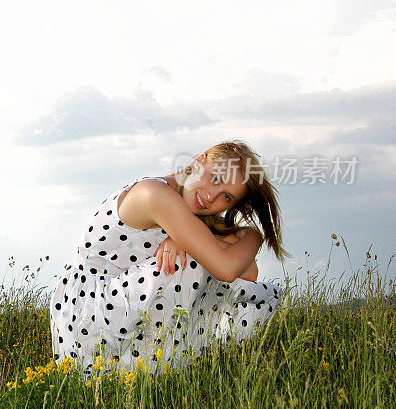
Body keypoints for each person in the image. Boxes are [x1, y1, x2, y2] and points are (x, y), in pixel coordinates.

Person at [49, 140, 288, 376]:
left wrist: (185, 239)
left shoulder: (189, 211)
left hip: (120, 307)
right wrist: (254, 236)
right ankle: (151, 369)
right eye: (215, 178)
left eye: (226, 197)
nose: (211, 196)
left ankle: (152, 367)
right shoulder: (154, 193)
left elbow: (248, 274)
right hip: (89, 312)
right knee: (188, 263)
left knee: (205, 266)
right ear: (201, 159)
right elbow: (226, 269)